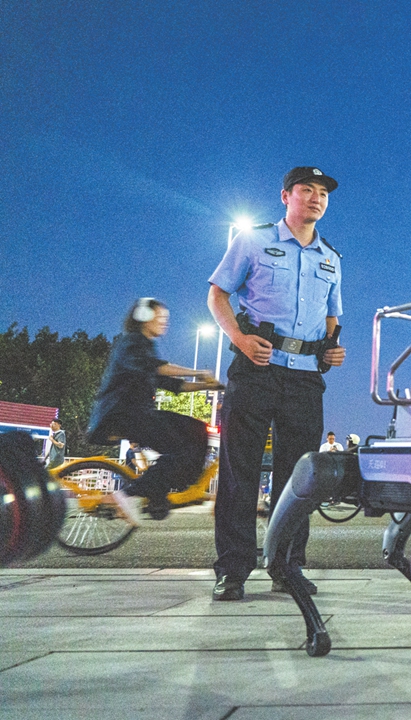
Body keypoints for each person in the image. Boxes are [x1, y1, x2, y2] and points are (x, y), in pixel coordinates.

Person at [207, 166, 346, 602]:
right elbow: (217, 294)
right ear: (286, 196)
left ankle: (287, 566)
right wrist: (239, 339)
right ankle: (233, 570)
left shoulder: (331, 258)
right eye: (307, 190)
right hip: (256, 368)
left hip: (304, 377)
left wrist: (331, 349)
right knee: (239, 471)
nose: (316, 198)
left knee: (299, 478)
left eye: (323, 192)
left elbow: (332, 316)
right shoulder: (253, 241)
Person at [86, 298, 222, 523]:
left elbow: (173, 385)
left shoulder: (145, 346)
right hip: (123, 413)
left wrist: (211, 386)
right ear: (143, 317)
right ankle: (126, 495)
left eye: (166, 318)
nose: (165, 322)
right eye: (160, 317)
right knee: (180, 446)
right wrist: (198, 373)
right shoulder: (131, 342)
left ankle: (167, 491)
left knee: (197, 429)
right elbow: (156, 368)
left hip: (137, 413)